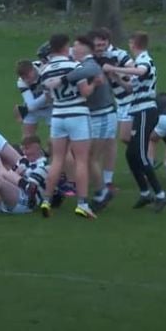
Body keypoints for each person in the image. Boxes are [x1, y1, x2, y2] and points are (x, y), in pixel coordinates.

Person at [44, 35, 114, 212]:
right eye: (71, 46)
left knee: (86, 157)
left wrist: (61, 80)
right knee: (83, 158)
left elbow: (86, 75)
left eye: (77, 46)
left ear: (85, 49)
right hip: (82, 114)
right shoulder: (77, 65)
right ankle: (94, 194)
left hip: (100, 114)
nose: (73, 49)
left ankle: (101, 191)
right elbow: (83, 87)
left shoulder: (88, 64)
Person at [102, 32, 166, 212]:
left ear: (134, 43)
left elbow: (142, 71)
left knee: (139, 154)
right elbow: (131, 88)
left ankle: (161, 195)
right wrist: (115, 78)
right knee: (131, 155)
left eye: (130, 43)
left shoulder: (145, 59)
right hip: (138, 111)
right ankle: (145, 193)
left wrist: (116, 69)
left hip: (146, 110)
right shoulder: (140, 60)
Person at [37, 34, 96, 219]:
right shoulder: (74, 66)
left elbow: (47, 96)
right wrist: (95, 83)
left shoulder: (44, 70)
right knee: (80, 160)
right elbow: (85, 92)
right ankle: (83, 204)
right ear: (65, 47)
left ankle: (46, 199)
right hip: (77, 113)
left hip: (58, 115)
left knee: (57, 160)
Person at [90, 28, 133, 191]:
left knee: (113, 140)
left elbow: (131, 73)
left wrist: (115, 72)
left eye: (103, 43)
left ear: (108, 42)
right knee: (110, 140)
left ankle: (106, 181)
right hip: (112, 104)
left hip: (128, 101)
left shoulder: (118, 55)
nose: (100, 47)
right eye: (97, 44)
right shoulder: (90, 57)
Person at [14, 59, 51, 137]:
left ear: (33, 69)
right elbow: (31, 106)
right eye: (23, 78)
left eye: (27, 76)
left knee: (56, 137)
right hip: (33, 109)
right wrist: (47, 95)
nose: (26, 80)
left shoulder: (46, 70)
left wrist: (25, 109)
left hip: (50, 107)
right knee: (27, 138)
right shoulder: (21, 82)